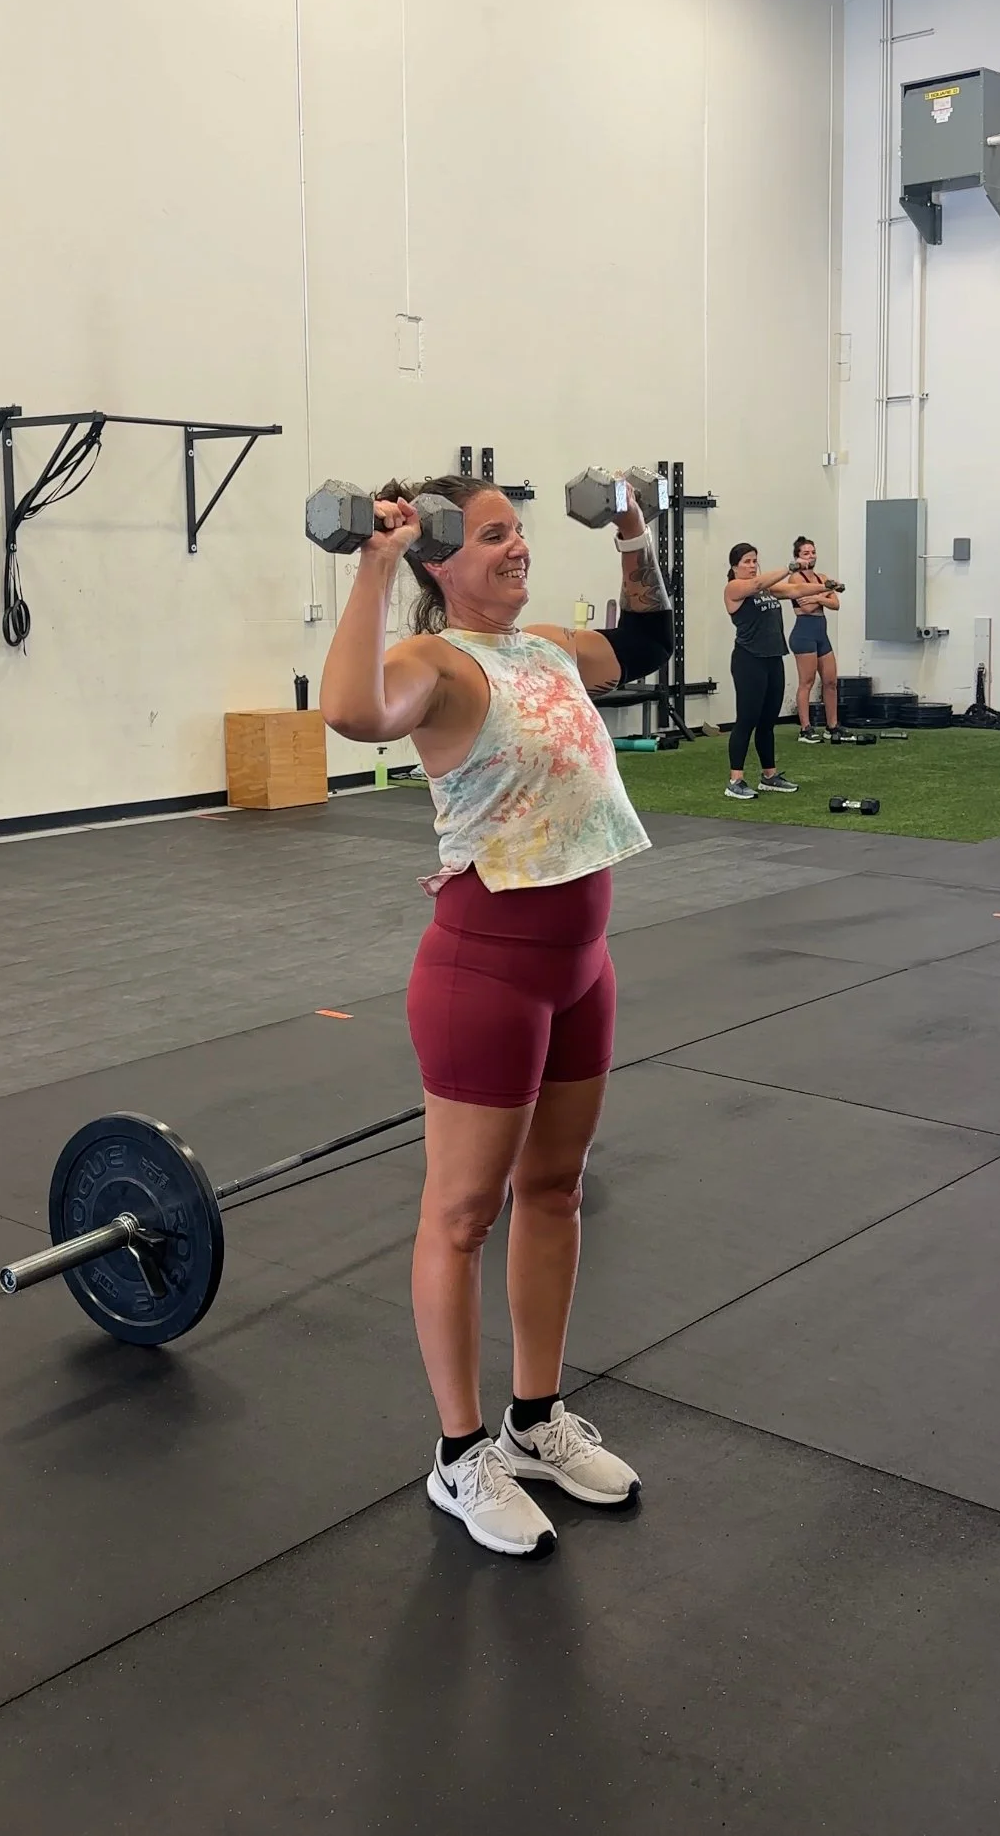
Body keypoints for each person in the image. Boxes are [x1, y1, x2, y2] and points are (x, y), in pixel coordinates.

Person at [320, 473, 674, 1559]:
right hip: (487, 973)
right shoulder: (437, 662)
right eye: (491, 537)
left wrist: (632, 531)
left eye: (519, 531)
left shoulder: (552, 649)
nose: (516, 550)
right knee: (462, 1215)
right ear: (439, 559)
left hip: (581, 968)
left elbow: (649, 642)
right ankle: (460, 1454)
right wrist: (372, 562)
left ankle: (534, 1423)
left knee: (556, 1193)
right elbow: (348, 712)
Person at [722, 542, 829, 800]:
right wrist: (790, 566)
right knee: (747, 720)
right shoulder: (735, 588)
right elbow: (757, 585)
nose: (751, 566)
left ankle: (769, 776)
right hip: (749, 660)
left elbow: (796, 589)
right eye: (746, 561)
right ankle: (735, 780)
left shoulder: (767, 588)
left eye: (754, 561)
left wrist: (827, 586)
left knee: (768, 722)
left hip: (773, 659)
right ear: (735, 566)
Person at [788, 534, 840, 743]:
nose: (810, 556)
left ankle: (832, 726)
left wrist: (819, 596)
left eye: (813, 552)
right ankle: (805, 729)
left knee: (830, 681)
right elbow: (806, 607)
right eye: (805, 553)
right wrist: (826, 595)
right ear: (797, 557)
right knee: (807, 682)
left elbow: (836, 604)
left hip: (821, 634)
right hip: (804, 635)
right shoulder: (795, 579)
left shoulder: (822, 577)